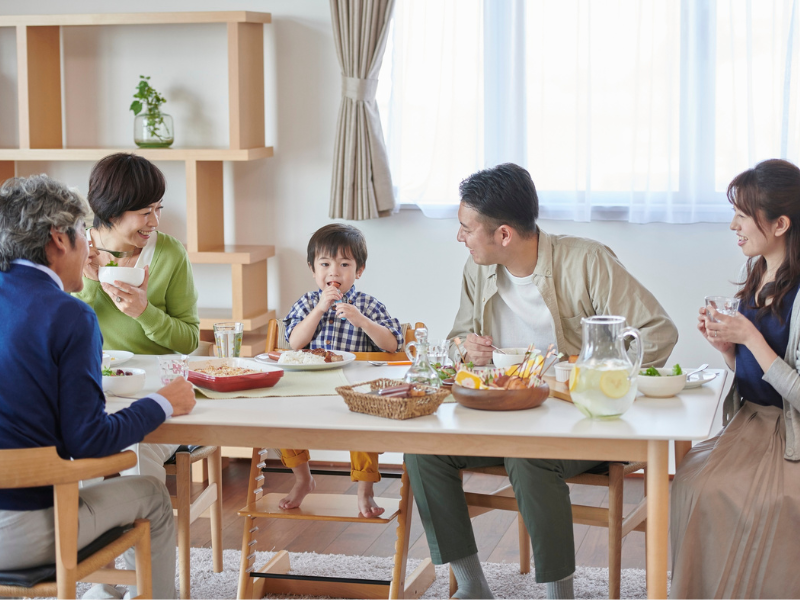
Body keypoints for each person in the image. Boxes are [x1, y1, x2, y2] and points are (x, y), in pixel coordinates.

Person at [405, 163, 678, 599]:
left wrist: (591, 363)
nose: (460, 237)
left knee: (528, 456)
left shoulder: (587, 261)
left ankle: (558, 595)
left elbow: (659, 332)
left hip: (577, 422)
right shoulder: (477, 269)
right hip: (503, 413)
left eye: (466, 228)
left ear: (504, 234)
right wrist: (465, 349)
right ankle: (473, 586)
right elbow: (457, 336)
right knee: (423, 451)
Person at [0, 174, 196, 599]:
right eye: (82, 235)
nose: (91, 247)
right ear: (58, 239)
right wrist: (162, 403)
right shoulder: (67, 315)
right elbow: (89, 440)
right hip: (23, 532)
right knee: (151, 495)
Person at [669, 159, 800, 598]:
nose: (733, 225)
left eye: (743, 214)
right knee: (689, 479)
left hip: (790, 433)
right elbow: (755, 375)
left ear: (780, 223)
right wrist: (729, 350)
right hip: (753, 424)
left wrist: (750, 337)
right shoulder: (759, 275)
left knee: (723, 491)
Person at [75, 153, 200, 483]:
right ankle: (86, 532)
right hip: (92, 391)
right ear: (112, 211)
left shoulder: (170, 254)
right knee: (72, 447)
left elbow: (189, 339)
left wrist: (145, 313)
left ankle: (146, 534)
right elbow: (52, 326)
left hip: (156, 392)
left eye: (158, 208)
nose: (155, 221)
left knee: (137, 449)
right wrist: (83, 278)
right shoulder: (72, 249)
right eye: (146, 212)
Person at [279, 223, 404, 517]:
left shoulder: (367, 305)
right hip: (309, 389)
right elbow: (294, 342)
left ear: (358, 271)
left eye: (344, 264)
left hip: (353, 390)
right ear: (313, 269)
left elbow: (392, 344)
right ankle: (303, 479)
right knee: (279, 419)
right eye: (325, 264)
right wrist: (319, 310)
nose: (334, 272)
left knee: (362, 428)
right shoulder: (309, 302)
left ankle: (365, 488)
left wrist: (363, 322)